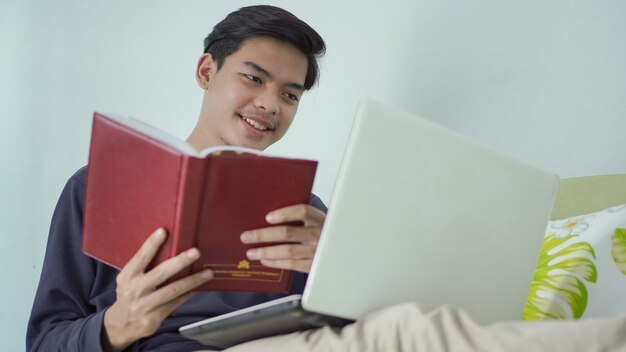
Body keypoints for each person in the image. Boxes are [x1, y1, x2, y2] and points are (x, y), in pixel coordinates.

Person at [27, 5, 326, 352]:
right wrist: (117, 325)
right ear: (206, 71)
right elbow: (43, 343)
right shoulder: (96, 189)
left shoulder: (304, 216)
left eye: (290, 95)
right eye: (254, 78)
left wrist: (337, 269)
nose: (271, 104)